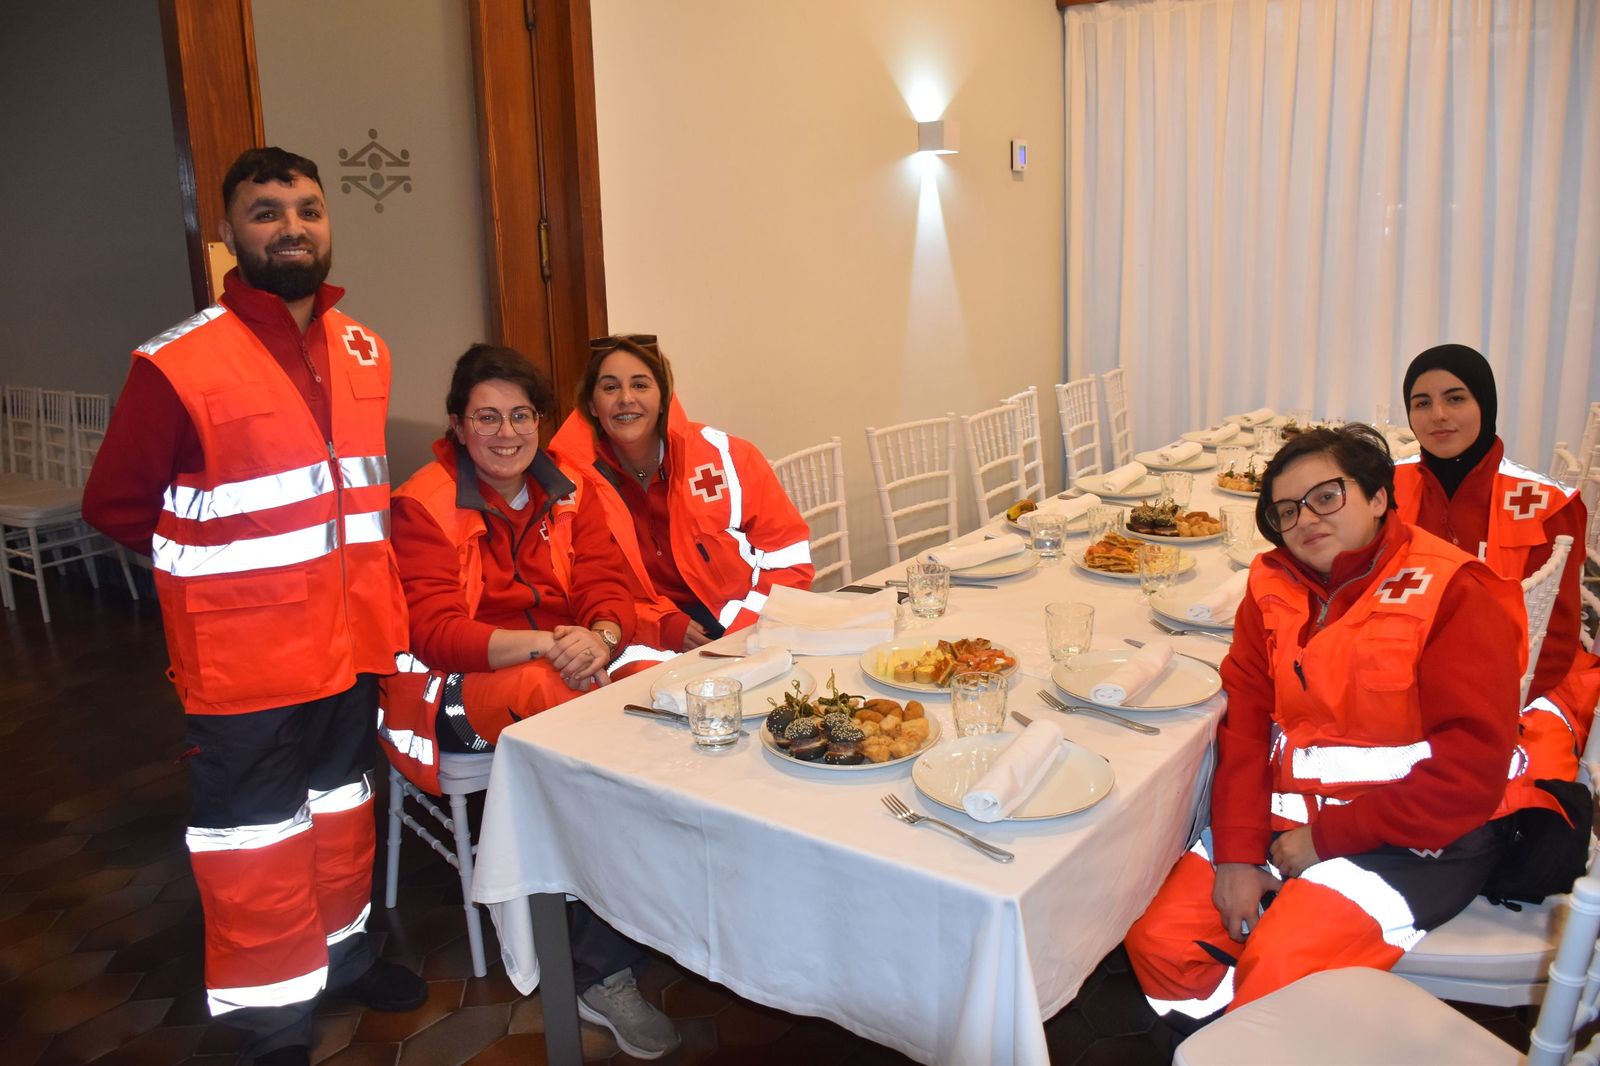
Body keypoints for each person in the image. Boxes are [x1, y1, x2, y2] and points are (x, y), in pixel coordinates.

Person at [82, 148, 423, 1066]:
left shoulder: (365, 347)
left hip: (351, 646)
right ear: (227, 233)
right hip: (244, 664)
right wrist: (222, 578)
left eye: (308, 209)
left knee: (344, 809)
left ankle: (345, 959)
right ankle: (269, 1016)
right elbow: (115, 506)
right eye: (266, 212)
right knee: (254, 840)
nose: (292, 228)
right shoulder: (177, 362)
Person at [1124, 424, 1526, 1026]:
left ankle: (1262, 1036)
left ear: (1378, 497)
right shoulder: (1271, 586)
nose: (1306, 519)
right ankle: (1214, 1041)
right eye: (1286, 510)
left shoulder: (1452, 590)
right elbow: (1245, 727)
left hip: (1420, 837)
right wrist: (1235, 854)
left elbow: (1469, 776)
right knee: (1161, 942)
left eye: (1326, 496)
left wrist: (1325, 843)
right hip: (1293, 818)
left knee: (1278, 974)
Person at [376, 342, 680, 1059]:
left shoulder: (569, 488)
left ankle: (653, 893)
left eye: (520, 416)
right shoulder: (422, 503)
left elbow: (610, 587)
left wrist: (601, 636)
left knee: (663, 686)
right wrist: (552, 646)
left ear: (542, 423)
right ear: (457, 424)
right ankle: (598, 969)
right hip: (452, 691)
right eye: (486, 418)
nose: (505, 433)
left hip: (569, 665)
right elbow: (438, 633)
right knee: (581, 728)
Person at [1395, 344, 1599, 825]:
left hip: (1523, 679)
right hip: (1405, 669)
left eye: (1456, 398)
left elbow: (1556, 638)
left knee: (1518, 793)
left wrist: (1476, 708)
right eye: (1421, 402)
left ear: (1485, 404)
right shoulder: (1386, 487)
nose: (1438, 415)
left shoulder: (1548, 503)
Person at [546, 334, 814, 659]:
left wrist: (748, 624)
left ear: (664, 398)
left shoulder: (728, 457)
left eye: (641, 385)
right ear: (591, 404)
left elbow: (789, 558)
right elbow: (576, 586)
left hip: (752, 630)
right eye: (610, 387)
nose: (626, 398)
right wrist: (659, 625)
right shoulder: (569, 487)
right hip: (642, 645)